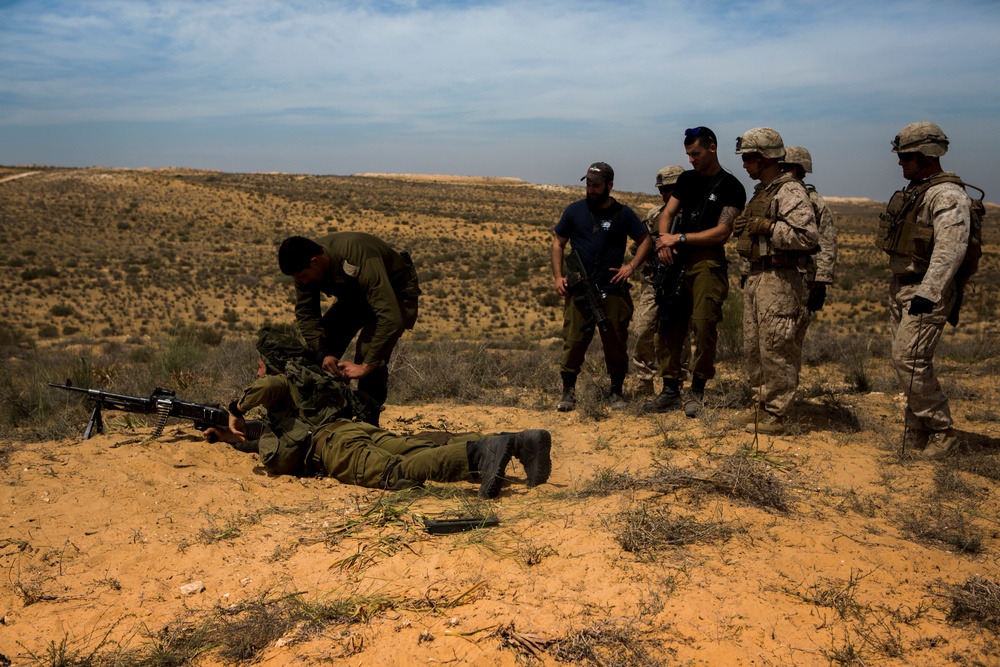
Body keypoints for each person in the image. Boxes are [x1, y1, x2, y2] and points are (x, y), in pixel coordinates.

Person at [204, 333, 553, 499]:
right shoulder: (308, 382)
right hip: (357, 430)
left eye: (260, 365)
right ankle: (516, 442)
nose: (257, 370)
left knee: (395, 472)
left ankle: (480, 454)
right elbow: (278, 436)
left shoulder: (279, 382)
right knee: (413, 450)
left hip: (336, 446)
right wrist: (233, 438)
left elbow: (266, 393)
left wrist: (235, 410)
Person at [877, 122, 973, 459]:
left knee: (910, 360)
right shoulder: (920, 190)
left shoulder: (946, 195)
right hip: (904, 288)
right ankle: (918, 428)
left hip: (925, 291)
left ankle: (941, 430)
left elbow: (950, 250)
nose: (901, 163)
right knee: (903, 361)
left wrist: (928, 293)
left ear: (926, 156)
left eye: (906, 157)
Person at [648, 127, 747, 417]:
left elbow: (721, 233)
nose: (691, 159)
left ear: (712, 148)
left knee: (704, 327)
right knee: (667, 326)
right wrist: (663, 241)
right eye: (688, 154)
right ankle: (669, 390)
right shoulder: (687, 179)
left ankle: (697, 391)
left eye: (696, 153)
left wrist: (679, 239)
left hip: (706, 262)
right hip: (676, 262)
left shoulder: (731, 186)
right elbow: (667, 214)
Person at [278, 233, 421, 426]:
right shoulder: (303, 269)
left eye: (303, 276)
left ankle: (368, 422)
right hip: (356, 296)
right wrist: (323, 353)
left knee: (368, 351)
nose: (302, 282)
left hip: (395, 294)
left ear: (315, 262)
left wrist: (365, 366)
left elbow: (391, 318)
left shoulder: (358, 256)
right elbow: (307, 314)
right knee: (318, 349)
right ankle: (322, 416)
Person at [732, 128, 818, 435]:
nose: (745, 165)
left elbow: (807, 237)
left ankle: (778, 412)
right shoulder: (764, 191)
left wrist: (768, 228)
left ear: (766, 158)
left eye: (750, 158)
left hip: (780, 279)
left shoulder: (790, 191)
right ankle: (761, 404)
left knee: (776, 346)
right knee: (754, 347)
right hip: (757, 276)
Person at [551, 162, 652, 411]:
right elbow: (557, 243)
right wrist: (558, 277)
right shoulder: (574, 211)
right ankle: (568, 392)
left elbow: (645, 240)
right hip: (579, 290)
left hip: (613, 290)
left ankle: (616, 392)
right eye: (588, 184)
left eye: (596, 185)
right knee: (574, 342)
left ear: (610, 185)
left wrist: (630, 268)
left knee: (616, 342)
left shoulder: (623, 213)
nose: (591, 189)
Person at [631, 165, 685, 396]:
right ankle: (644, 381)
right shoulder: (655, 216)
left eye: (670, 189)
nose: (665, 194)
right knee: (642, 329)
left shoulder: (693, 216)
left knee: (677, 334)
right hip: (654, 282)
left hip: (682, 283)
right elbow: (639, 246)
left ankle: (677, 382)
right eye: (662, 189)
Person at [780, 146, 838, 335]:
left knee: (794, 330)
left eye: (784, 166)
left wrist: (821, 283)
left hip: (802, 275)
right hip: (774, 273)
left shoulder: (813, 202)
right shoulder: (774, 196)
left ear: (796, 169)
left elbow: (827, 241)